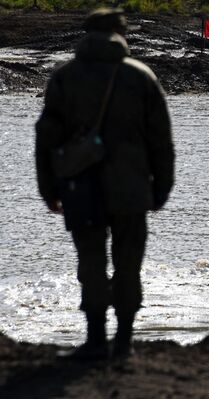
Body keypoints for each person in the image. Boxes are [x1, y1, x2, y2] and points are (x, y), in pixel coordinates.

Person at [35, 8, 175, 360]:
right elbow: (161, 140)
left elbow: (46, 140)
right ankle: (124, 341)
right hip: (131, 189)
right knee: (129, 263)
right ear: (120, 33)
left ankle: (96, 338)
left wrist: (48, 189)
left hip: (80, 188)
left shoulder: (65, 78)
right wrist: (162, 188)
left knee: (91, 261)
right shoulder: (141, 77)